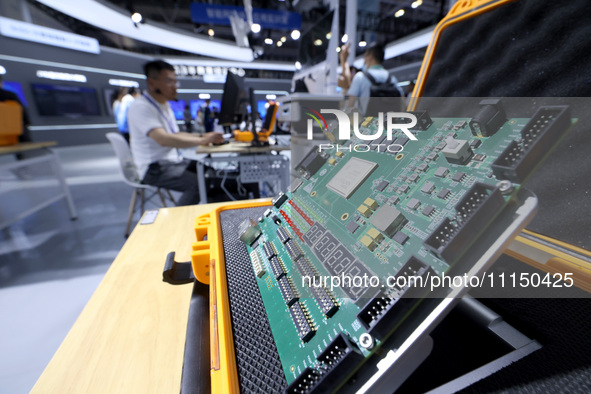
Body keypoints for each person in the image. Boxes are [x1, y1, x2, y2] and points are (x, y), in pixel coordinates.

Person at [127, 60, 224, 206]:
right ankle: (178, 226)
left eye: (175, 82)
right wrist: (202, 140)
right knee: (197, 184)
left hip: (170, 162)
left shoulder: (164, 105)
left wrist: (203, 136)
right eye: (169, 82)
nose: (175, 87)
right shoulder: (141, 107)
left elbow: (176, 134)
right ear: (152, 83)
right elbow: (163, 139)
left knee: (207, 170)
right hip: (153, 169)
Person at [347, 42, 403, 114]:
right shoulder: (392, 79)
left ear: (370, 56)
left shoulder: (360, 77)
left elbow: (350, 105)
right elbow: (402, 101)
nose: (364, 60)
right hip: (388, 123)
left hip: (366, 123)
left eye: (365, 56)